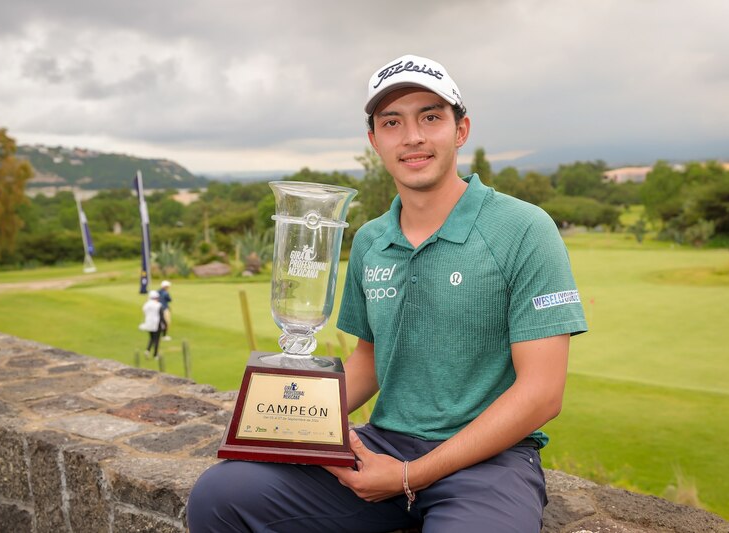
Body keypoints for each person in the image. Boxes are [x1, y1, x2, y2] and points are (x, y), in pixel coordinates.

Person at [187, 54, 588, 533]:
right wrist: (287, 421)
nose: (413, 136)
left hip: (489, 463)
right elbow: (371, 359)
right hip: (384, 444)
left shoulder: (523, 229)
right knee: (219, 496)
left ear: (461, 130)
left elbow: (542, 394)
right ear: (374, 140)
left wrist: (408, 477)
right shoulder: (373, 240)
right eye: (392, 122)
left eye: (431, 117)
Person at [139, 290, 162, 359]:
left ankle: (147, 350)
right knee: (157, 339)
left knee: (152, 338)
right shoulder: (158, 305)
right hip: (156, 323)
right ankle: (155, 354)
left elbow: (144, 312)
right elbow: (161, 315)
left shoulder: (146, 304)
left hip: (148, 323)